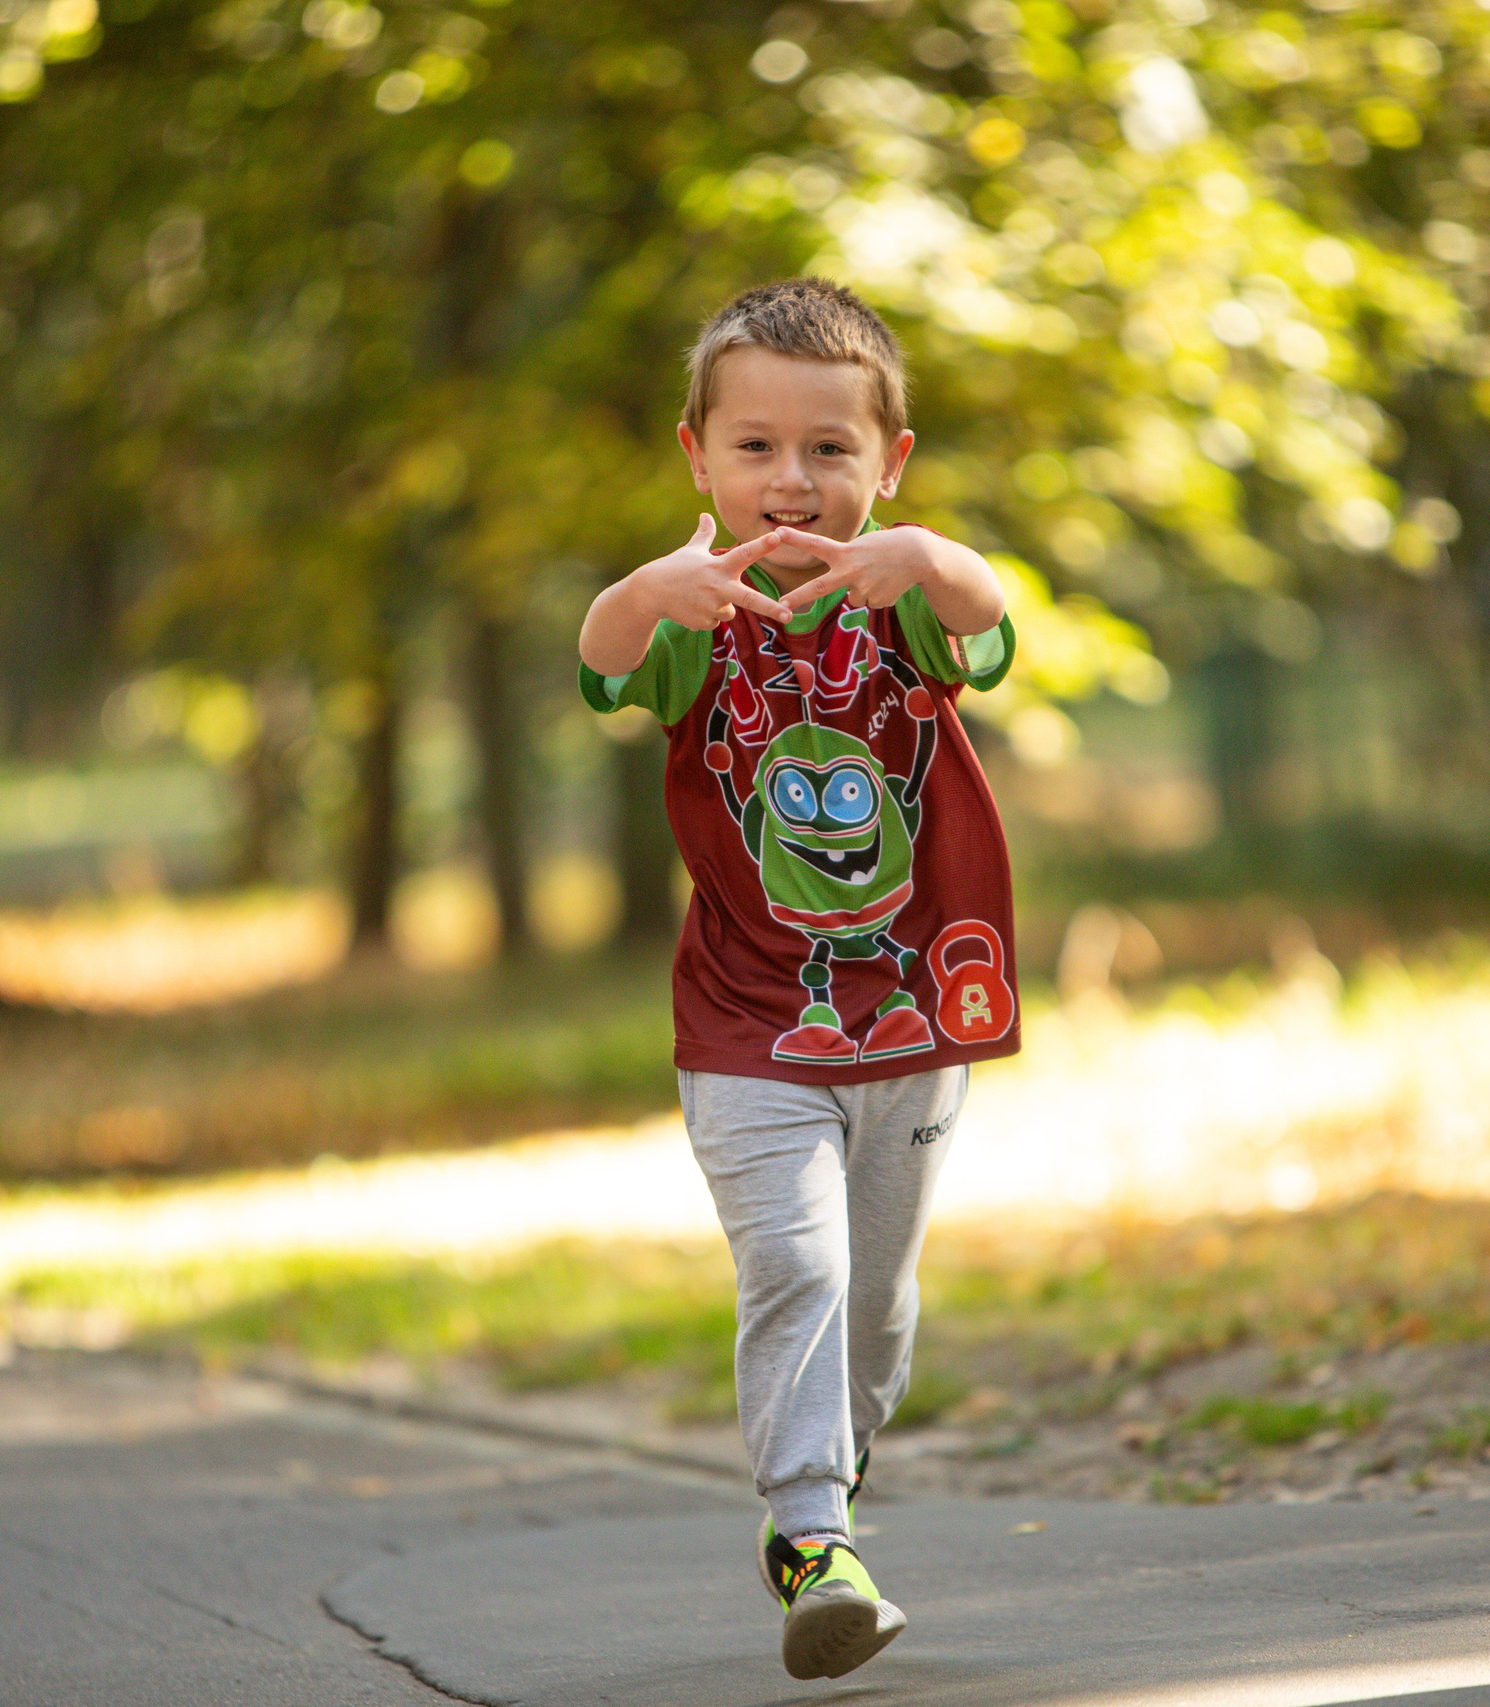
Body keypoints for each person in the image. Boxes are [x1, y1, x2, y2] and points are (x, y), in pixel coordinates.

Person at [576, 278, 1021, 1681]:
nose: (793, 479)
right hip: (746, 1023)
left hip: (907, 1018)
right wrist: (643, 590)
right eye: (756, 447)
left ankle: (837, 1459)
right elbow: (601, 668)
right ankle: (810, 1532)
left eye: (831, 449)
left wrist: (932, 554)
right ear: (698, 459)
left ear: (888, 463)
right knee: (797, 1260)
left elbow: (992, 625)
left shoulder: (903, 599)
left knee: (876, 1303)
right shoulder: (694, 614)